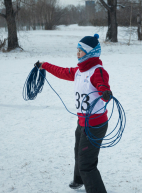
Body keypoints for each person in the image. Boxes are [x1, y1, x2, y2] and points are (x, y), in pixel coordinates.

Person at [35, 34, 111, 193]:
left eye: (81, 50)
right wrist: (45, 65)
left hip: (95, 124)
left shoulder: (97, 71)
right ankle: (78, 180)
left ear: (90, 53)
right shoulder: (78, 71)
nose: (77, 53)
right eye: (77, 50)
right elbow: (62, 71)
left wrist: (105, 93)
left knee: (86, 164)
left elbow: (103, 85)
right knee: (79, 151)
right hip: (82, 122)